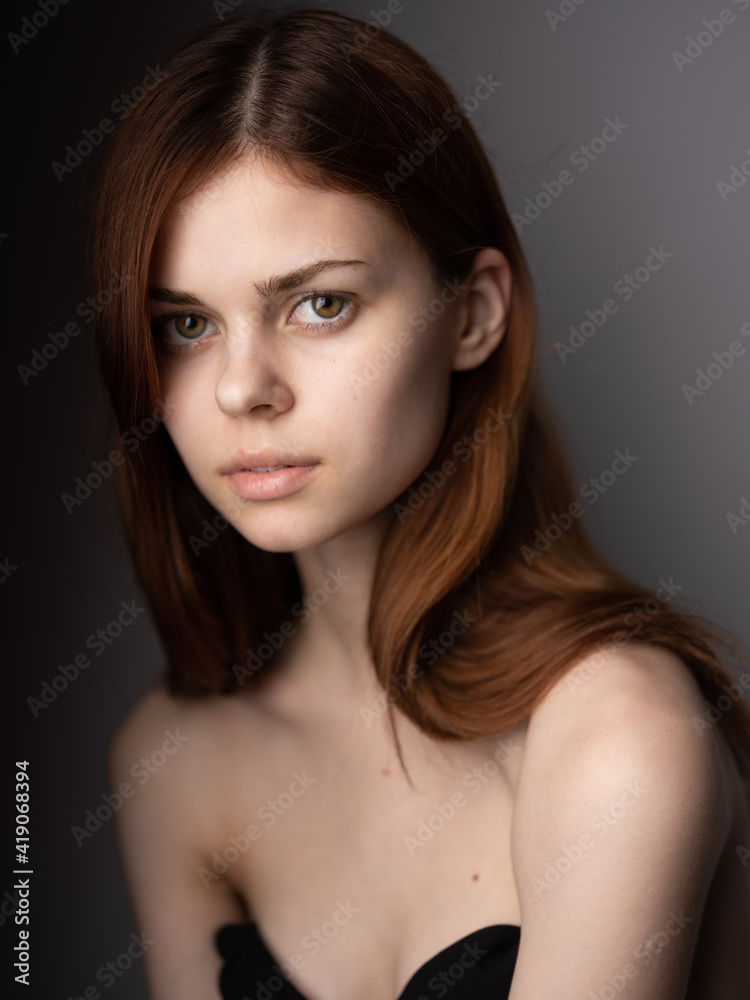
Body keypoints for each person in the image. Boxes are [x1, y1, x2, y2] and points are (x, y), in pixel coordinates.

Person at [92, 8, 750, 999]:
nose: (242, 389)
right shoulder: (173, 763)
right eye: (186, 323)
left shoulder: (621, 733)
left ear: (474, 313)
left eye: (320, 303)